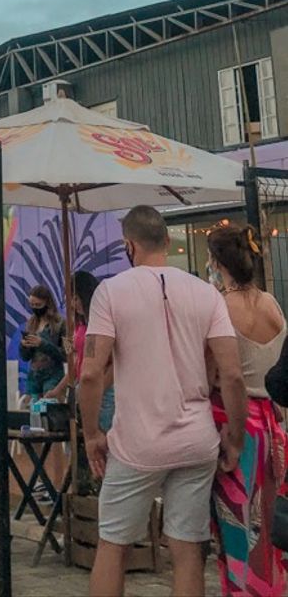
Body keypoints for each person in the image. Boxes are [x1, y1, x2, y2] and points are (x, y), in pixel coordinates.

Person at [79, 205, 247, 597]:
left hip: (137, 443)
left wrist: (91, 434)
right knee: (188, 551)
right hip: (196, 440)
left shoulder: (110, 292)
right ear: (168, 242)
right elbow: (234, 374)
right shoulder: (206, 293)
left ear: (128, 246)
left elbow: (89, 374)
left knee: (113, 545)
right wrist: (234, 439)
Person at [206, 223, 287, 597]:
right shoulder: (271, 304)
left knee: (237, 523)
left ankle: (242, 590)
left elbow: (217, 374)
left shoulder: (219, 308)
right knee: (271, 521)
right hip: (274, 425)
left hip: (235, 422)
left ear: (216, 261)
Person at [45, 270, 115, 432]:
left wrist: (99, 388)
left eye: (75, 299)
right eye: (70, 299)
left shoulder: (101, 322)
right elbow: (75, 361)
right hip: (80, 386)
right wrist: (59, 389)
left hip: (102, 389)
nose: (73, 304)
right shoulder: (78, 325)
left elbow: (115, 363)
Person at [19, 284, 66, 400]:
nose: (35, 308)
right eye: (32, 305)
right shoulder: (31, 322)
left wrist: (42, 344)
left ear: (47, 303)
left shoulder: (60, 323)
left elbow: (65, 354)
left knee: (50, 410)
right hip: (34, 376)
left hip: (53, 375)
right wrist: (24, 346)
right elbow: (25, 357)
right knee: (34, 413)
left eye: (38, 305)